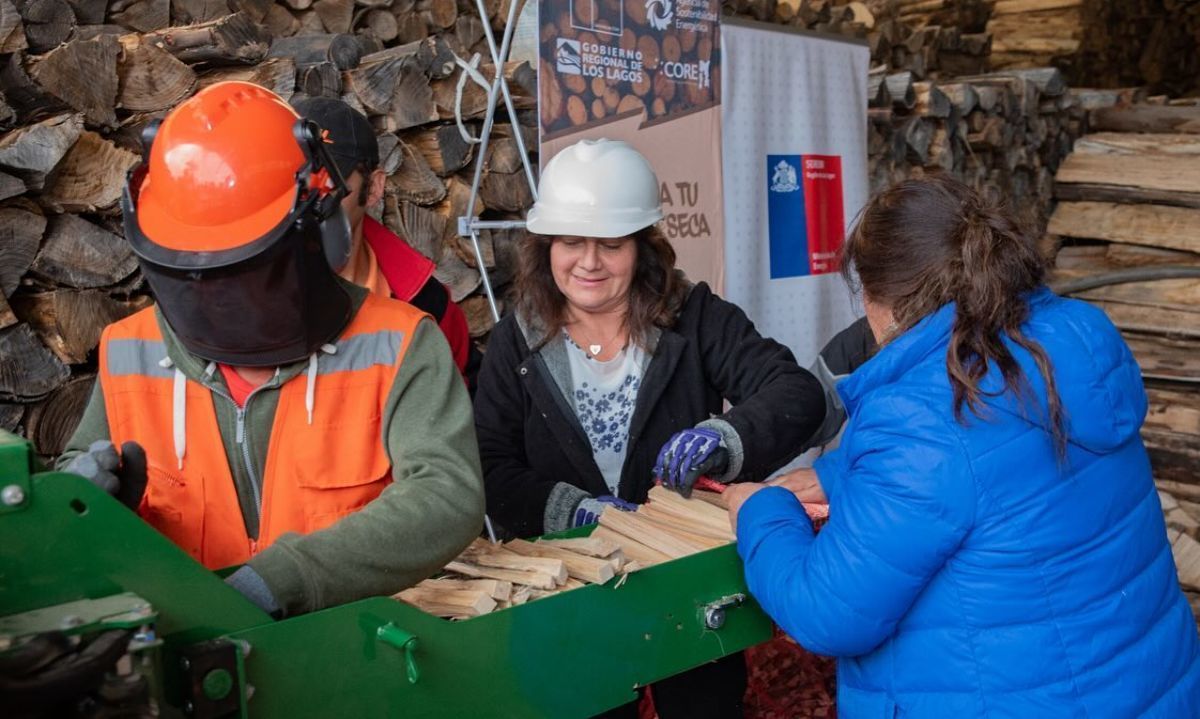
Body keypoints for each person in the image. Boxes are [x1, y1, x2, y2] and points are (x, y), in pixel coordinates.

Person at [727, 175, 1200, 717]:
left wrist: (761, 512)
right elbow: (998, 471)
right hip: (1147, 688)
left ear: (879, 297)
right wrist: (841, 477)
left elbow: (826, 612)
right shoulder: (1071, 335)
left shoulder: (919, 417)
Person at [57, 82, 485, 618]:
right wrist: (81, 500)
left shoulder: (400, 342)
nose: (219, 298)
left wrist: (283, 580)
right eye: (200, 272)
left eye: (243, 272)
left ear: (322, 229)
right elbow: (80, 467)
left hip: (349, 649)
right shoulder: (128, 350)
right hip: (176, 635)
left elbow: (447, 495)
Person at [473, 138, 829, 717]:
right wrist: (574, 510)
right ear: (545, 246)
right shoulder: (520, 339)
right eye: (570, 242)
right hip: (574, 585)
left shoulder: (692, 315)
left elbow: (796, 393)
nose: (589, 262)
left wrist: (725, 438)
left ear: (642, 247)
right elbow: (490, 463)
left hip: (685, 576)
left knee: (703, 707)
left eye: (611, 244)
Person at [292, 97, 482, 392]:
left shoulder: (427, 303)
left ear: (374, 188)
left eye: (329, 182)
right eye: (294, 179)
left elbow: (468, 404)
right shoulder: (241, 290)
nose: (307, 196)